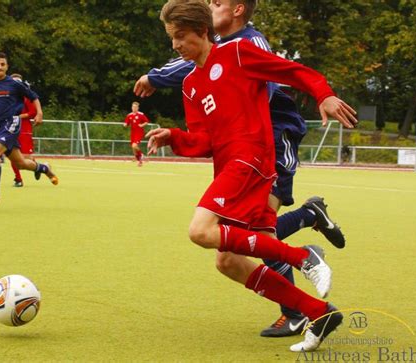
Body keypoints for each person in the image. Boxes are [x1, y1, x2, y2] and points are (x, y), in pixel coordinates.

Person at [134, 0, 357, 337]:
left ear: (202, 30)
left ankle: (304, 256)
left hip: (251, 160)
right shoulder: (190, 85)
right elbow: (203, 141)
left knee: (200, 231)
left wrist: (323, 95)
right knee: (228, 261)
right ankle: (318, 313)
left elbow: (294, 72)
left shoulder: (238, 52)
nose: (176, 45)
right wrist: (174, 138)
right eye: (171, 39)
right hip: (229, 167)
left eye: (180, 36)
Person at [0, 52, 58, 204]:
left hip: (11, 124)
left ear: (7, 66)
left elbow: (33, 97)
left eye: (2, 64)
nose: (0, 67)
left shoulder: (15, 83)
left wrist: (39, 113)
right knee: (21, 163)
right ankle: (44, 168)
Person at [9, 73, 38, 187]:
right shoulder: (8, 98)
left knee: (26, 158)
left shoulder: (27, 97)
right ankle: (18, 179)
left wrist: (20, 116)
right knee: (12, 156)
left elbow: (33, 112)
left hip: (24, 130)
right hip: (11, 130)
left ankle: (36, 166)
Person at [123, 101, 149, 166]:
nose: (134, 108)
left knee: (134, 146)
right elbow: (126, 123)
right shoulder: (129, 115)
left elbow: (146, 121)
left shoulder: (141, 114)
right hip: (133, 133)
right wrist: (125, 124)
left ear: (138, 108)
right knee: (133, 148)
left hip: (139, 133)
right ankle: (140, 161)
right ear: (131, 107)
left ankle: (141, 155)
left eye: (135, 107)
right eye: (133, 107)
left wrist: (142, 125)